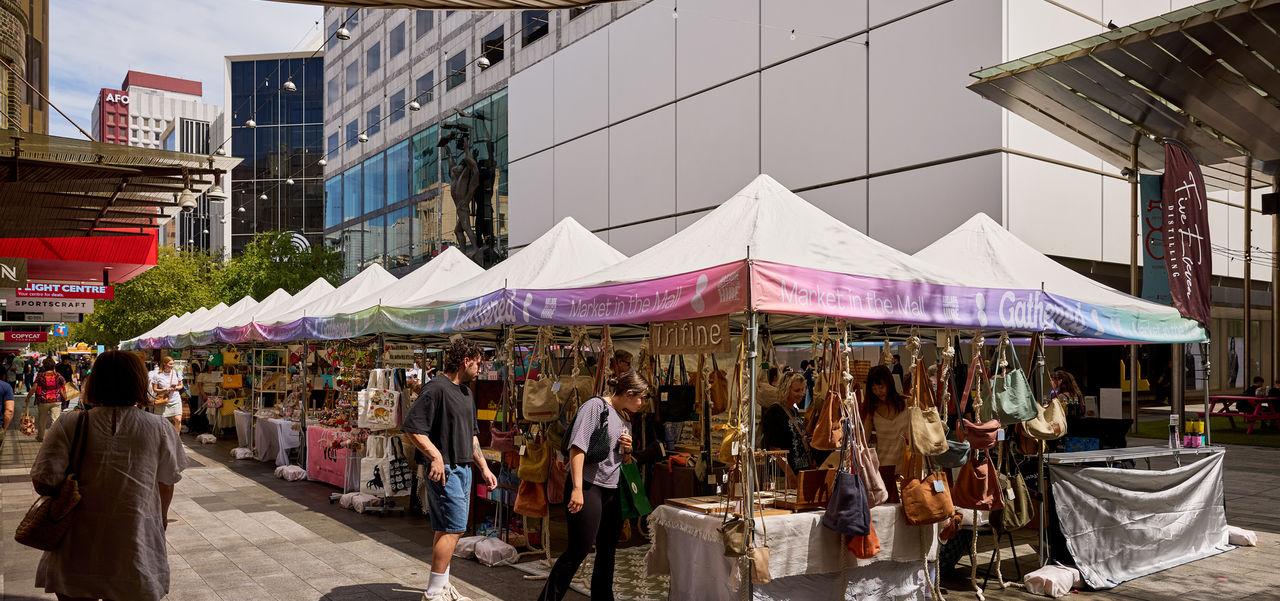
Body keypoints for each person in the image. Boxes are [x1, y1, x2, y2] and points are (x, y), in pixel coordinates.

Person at [29, 350, 186, 601]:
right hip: (135, 541)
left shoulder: (70, 423)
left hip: (76, 547)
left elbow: (42, 482)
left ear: (96, 382)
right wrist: (162, 518)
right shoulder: (160, 428)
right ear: (138, 382)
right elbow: (166, 483)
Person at [538, 371, 648, 601]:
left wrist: (627, 451)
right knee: (578, 549)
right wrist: (577, 488)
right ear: (629, 393)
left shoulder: (625, 416)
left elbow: (621, 460)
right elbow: (577, 448)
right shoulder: (595, 408)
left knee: (608, 550)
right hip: (588, 486)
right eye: (643, 397)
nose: (644, 403)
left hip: (612, 488)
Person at [402, 337, 497, 601]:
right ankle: (433, 593)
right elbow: (412, 427)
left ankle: (440, 586)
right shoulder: (435, 389)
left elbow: (473, 437)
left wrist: (484, 468)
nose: (480, 369)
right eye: (478, 364)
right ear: (465, 361)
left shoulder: (466, 393)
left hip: (464, 469)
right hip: (445, 471)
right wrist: (434, 455)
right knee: (454, 528)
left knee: (445, 528)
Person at [863, 365, 908, 502]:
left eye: (881, 387)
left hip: (907, 465)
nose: (878, 392)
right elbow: (863, 439)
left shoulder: (907, 403)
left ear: (889, 383)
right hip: (884, 467)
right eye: (874, 388)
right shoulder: (872, 410)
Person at [762, 371, 813, 477]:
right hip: (784, 476)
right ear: (785, 390)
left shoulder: (794, 410)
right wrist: (790, 476)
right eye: (797, 390)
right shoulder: (774, 412)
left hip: (800, 472)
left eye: (802, 390)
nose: (801, 394)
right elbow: (774, 449)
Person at [27, 358, 66, 442]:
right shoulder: (58, 375)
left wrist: (28, 397)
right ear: (53, 366)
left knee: (42, 419)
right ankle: (54, 437)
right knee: (55, 420)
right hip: (56, 399)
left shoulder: (40, 376)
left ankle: (41, 437)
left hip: (43, 400)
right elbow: (63, 384)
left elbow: (34, 388)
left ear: (44, 366)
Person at [149, 356, 184, 435]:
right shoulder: (157, 375)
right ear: (164, 364)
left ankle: (176, 439)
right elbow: (155, 389)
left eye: (173, 364)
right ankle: (165, 437)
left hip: (175, 399)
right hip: (163, 400)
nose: (172, 366)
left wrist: (175, 388)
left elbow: (181, 385)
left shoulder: (176, 372)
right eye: (170, 364)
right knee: (164, 422)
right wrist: (165, 390)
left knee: (178, 419)